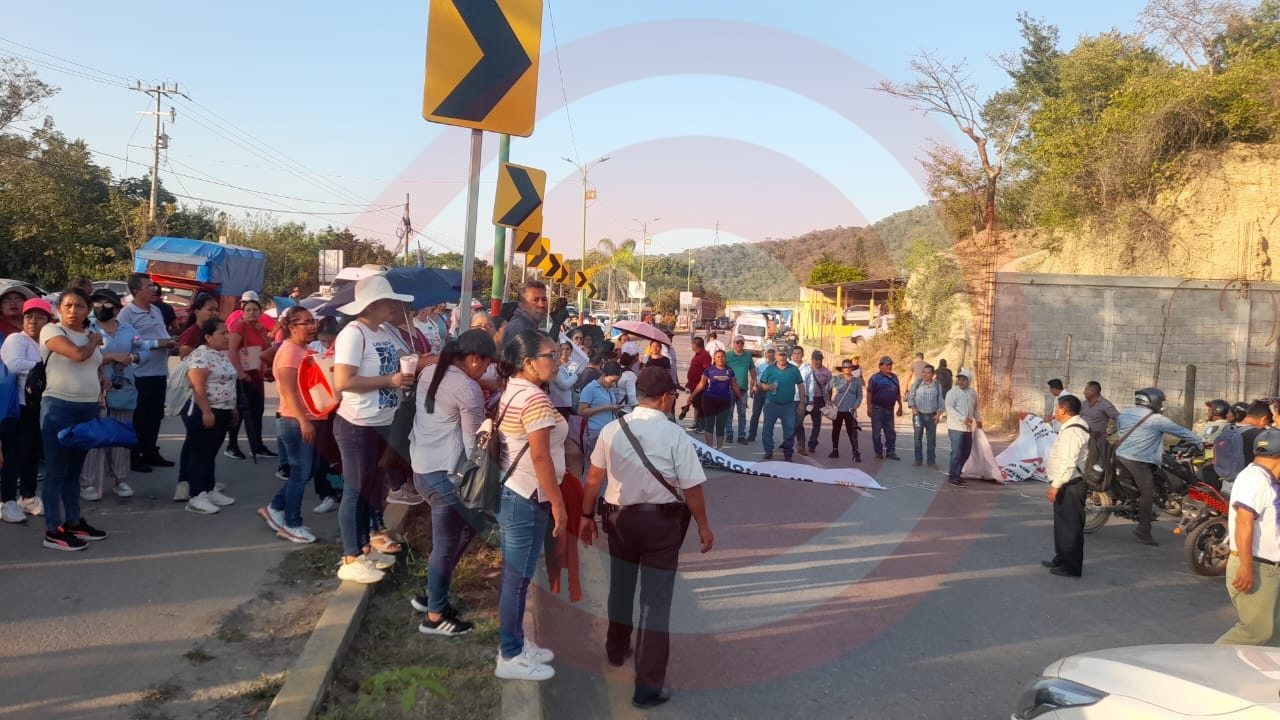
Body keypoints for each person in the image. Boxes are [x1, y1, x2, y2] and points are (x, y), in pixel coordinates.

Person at [579, 366, 714, 709]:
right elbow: (692, 489)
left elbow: (593, 479)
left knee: (621, 587)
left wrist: (586, 516)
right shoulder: (675, 435)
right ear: (666, 398)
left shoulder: (612, 429)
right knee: (655, 602)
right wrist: (703, 526)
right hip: (661, 525)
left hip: (619, 520)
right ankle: (648, 687)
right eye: (674, 396)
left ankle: (616, 647)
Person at [408, 329, 496, 636]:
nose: (487, 370)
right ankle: (435, 617)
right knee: (446, 545)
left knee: (469, 527)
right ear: (473, 359)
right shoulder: (467, 389)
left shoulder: (431, 371)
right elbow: (475, 447)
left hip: (422, 467)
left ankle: (433, 593)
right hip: (444, 476)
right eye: (486, 364)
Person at [329, 275, 415, 583]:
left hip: (381, 422)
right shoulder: (354, 334)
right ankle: (351, 556)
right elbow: (343, 381)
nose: (393, 306)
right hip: (357, 424)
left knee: (372, 488)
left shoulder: (383, 331)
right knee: (356, 490)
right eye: (387, 301)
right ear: (371, 305)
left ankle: (365, 546)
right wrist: (389, 381)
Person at [494, 330, 568, 682]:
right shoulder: (535, 399)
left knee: (517, 578)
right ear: (528, 362)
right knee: (517, 579)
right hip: (526, 495)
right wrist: (558, 503)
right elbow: (540, 457)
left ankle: (518, 643)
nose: (557, 361)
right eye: (550, 356)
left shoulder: (514, 388)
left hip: (514, 491)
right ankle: (509, 654)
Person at [38, 288, 109, 551]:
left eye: (79, 306)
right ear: (59, 308)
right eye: (67, 305)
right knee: (56, 471)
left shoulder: (88, 336)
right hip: (59, 406)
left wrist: (101, 376)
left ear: (88, 310)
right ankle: (53, 530)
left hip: (88, 407)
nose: (73, 311)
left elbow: (91, 363)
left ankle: (73, 521)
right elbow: (77, 355)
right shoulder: (52, 330)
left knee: (74, 471)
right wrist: (94, 341)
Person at [259, 306, 324, 543]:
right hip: (295, 420)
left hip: (308, 418)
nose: (312, 326)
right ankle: (291, 523)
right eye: (306, 323)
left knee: (309, 470)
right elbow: (288, 392)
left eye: (313, 321)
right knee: (300, 473)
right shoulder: (289, 353)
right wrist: (304, 421)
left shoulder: (303, 350)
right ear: (291, 327)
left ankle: (276, 507)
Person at [79, 289, 146, 501]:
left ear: (117, 309)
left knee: (120, 433)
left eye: (106, 304)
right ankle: (87, 482)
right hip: (95, 388)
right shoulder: (87, 329)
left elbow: (143, 348)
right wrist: (110, 357)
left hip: (123, 387)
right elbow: (82, 356)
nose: (101, 308)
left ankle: (120, 479)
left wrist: (133, 357)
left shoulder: (128, 329)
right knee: (94, 435)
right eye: (97, 303)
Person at [1115, 387, 1203, 546]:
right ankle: (1143, 529)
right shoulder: (1157, 420)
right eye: (1160, 402)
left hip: (1120, 457)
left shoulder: (1124, 414)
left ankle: (1136, 507)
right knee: (1148, 492)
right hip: (1138, 461)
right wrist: (1201, 442)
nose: (1162, 405)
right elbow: (1181, 431)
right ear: (1153, 401)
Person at [1217, 429, 1280, 645]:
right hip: (1257, 566)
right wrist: (1246, 566)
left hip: (1269, 567)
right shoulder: (1255, 480)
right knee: (1255, 631)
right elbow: (1244, 523)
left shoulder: (1265, 477)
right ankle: (1210, 662)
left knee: (1275, 631)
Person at [117, 273, 178, 472]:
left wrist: (170, 342)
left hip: (159, 371)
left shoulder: (156, 310)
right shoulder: (127, 314)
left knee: (154, 416)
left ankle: (150, 451)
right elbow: (127, 341)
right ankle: (134, 456)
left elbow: (162, 334)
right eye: (149, 286)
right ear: (136, 291)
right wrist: (157, 343)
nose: (154, 289)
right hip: (140, 373)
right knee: (140, 418)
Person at [179, 319, 240, 515]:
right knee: (199, 453)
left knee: (210, 453)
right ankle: (196, 495)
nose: (227, 337)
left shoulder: (220, 354)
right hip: (205, 410)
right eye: (222, 333)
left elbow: (228, 382)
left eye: (227, 333)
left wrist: (232, 407)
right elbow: (197, 385)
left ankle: (209, 488)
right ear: (208, 336)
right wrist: (206, 411)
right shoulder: (201, 355)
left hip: (223, 410)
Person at [0, 298, 52, 523]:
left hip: (40, 407)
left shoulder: (48, 342)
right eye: (29, 316)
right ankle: (6, 501)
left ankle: (28, 497)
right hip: (19, 407)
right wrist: (49, 369)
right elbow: (14, 364)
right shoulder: (16, 339)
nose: (33, 321)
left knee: (32, 454)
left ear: (48, 321)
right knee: (15, 455)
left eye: (40, 317)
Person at [1043, 395, 1089, 578]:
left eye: (1057, 408)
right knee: (1062, 524)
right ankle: (1061, 558)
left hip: (1071, 484)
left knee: (1071, 526)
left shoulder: (1073, 432)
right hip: (1066, 483)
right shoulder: (1072, 426)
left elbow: (1068, 463)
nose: (1055, 412)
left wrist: (1055, 486)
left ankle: (1071, 566)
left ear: (1063, 410)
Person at [225, 296, 276, 460]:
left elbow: (267, 348)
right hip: (243, 377)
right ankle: (232, 445)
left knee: (257, 411)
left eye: (255, 310)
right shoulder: (239, 326)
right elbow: (232, 351)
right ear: (243, 312)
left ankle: (257, 446)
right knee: (241, 411)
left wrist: (262, 332)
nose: (252, 312)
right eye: (248, 310)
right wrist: (240, 372)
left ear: (261, 312)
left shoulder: (258, 328)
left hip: (257, 375)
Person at [689, 349, 742, 449]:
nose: (720, 358)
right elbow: (701, 384)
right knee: (709, 424)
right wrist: (692, 396)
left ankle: (719, 449)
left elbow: (734, 386)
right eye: (718, 357)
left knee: (720, 426)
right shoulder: (709, 370)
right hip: (709, 400)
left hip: (724, 402)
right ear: (714, 359)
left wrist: (742, 399)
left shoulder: (730, 371)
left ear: (725, 358)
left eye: (722, 357)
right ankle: (710, 449)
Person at [758, 348, 803, 461]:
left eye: (784, 355)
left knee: (789, 430)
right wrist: (768, 387)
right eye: (780, 355)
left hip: (788, 405)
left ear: (787, 356)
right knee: (767, 429)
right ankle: (768, 451)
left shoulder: (794, 370)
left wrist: (802, 402)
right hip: (771, 404)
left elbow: (800, 386)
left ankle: (788, 454)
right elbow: (761, 384)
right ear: (775, 356)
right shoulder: (770, 369)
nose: (782, 357)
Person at [579, 362, 623, 469]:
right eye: (612, 381)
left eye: (616, 382)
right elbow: (581, 411)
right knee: (592, 467)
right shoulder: (590, 389)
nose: (613, 384)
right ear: (603, 374)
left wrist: (614, 408)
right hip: (595, 432)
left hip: (609, 433)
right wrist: (604, 408)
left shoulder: (610, 389)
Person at [944, 370, 982, 488]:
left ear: (969, 380)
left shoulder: (973, 393)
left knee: (966, 452)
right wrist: (962, 419)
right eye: (959, 379)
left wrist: (978, 419)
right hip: (955, 427)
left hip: (967, 428)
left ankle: (957, 473)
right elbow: (949, 407)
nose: (961, 382)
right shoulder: (953, 392)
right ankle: (953, 476)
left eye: (964, 379)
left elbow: (975, 408)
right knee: (957, 452)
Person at [867, 356, 904, 460]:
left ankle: (891, 452)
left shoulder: (895, 377)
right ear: (880, 366)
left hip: (889, 409)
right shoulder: (875, 378)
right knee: (876, 432)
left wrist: (900, 406)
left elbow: (898, 393)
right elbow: (869, 393)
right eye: (887, 365)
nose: (889, 366)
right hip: (877, 409)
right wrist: (869, 407)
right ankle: (878, 452)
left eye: (890, 364)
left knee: (890, 432)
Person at [906, 364, 944, 468]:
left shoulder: (937, 386)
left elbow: (940, 401)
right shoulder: (917, 384)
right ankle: (918, 460)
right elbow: (910, 397)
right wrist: (913, 408)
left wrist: (938, 414)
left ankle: (931, 461)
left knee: (931, 440)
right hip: (918, 416)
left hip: (932, 417)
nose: (925, 374)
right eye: (924, 372)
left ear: (932, 374)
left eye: (928, 373)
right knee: (917, 438)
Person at [827, 359, 862, 461]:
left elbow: (859, 395)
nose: (847, 369)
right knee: (836, 430)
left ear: (852, 368)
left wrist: (856, 405)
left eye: (849, 367)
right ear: (842, 369)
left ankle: (855, 452)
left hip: (850, 410)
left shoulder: (857, 381)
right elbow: (827, 389)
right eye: (845, 367)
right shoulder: (836, 379)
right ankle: (835, 450)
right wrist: (828, 401)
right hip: (838, 408)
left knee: (852, 431)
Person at [723, 336, 756, 444]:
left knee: (742, 414)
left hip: (743, 389)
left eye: (741, 343)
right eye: (737, 343)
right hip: (729, 389)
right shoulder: (727, 355)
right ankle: (729, 435)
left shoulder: (748, 356)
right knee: (729, 413)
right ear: (734, 343)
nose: (739, 345)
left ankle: (741, 435)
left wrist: (754, 384)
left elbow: (752, 371)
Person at [800, 350, 832, 455]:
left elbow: (829, 388)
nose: (817, 362)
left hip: (818, 400)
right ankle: (797, 441)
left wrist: (828, 401)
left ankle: (812, 444)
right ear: (811, 359)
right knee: (797, 421)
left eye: (819, 360)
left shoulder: (827, 372)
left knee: (817, 424)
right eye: (815, 359)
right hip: (805, 399)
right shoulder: (805, 369)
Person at [502, 281, 549, 346]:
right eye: (535, 300)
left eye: (544, 299)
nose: (541, 305)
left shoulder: (528, 325)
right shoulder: (520, 329)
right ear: (521, 305)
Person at [177, 294, 221, 359]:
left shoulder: (215, 332)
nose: (215, 313)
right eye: (210, 310)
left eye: (216, 310)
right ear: (197, 312)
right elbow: (186, 361)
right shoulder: (190, 335)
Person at [746, 348, 776, 442]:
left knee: (769, 415)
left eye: (773, 352)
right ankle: (751, 435)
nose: (771, 354)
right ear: (765, 353)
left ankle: (767, 436)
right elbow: (753, 376)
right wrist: (752, 388)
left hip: (771, 392)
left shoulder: (778, 363)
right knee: (755, 414)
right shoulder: (759, 362)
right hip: (759, 390)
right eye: (769, 352)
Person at [682, 337, 711, 432]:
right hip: (693, 384)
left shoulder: (704, 355)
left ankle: (702, 426)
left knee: (701, 406)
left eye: (692, 344)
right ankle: (696, 423)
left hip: (700, 385)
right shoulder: (697, 355)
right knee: (696, 405)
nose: (692, 346)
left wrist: (702, 382)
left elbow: (706, 369)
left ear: (695, 345)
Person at [550, 341, 579, 419]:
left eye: (567, 349)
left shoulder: (574, 365)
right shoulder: (554, 366)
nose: (564, 351)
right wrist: (575, 376)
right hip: (557, 403)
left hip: (565, 403)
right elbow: (564, 384)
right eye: (562, 349)